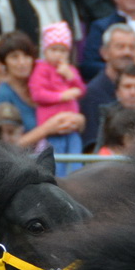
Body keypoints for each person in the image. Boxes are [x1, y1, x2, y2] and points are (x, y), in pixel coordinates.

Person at [27, 22, 85, 165]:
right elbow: (38, 94)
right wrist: (61, 96)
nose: (58, 54)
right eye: (54, 49)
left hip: (71, 127)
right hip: (52, 128)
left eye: (63, 50)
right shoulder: (41, 68)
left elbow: (81, 90)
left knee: (75, 159)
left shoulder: (69, 69)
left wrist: (71, 77)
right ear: (45, 50)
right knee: (55, 161)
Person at [77, 23, 135, 147]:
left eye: (132, 47)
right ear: (104, 53)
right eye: (120, 47)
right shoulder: (92, 94)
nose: (127, 52)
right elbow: (91, 146)